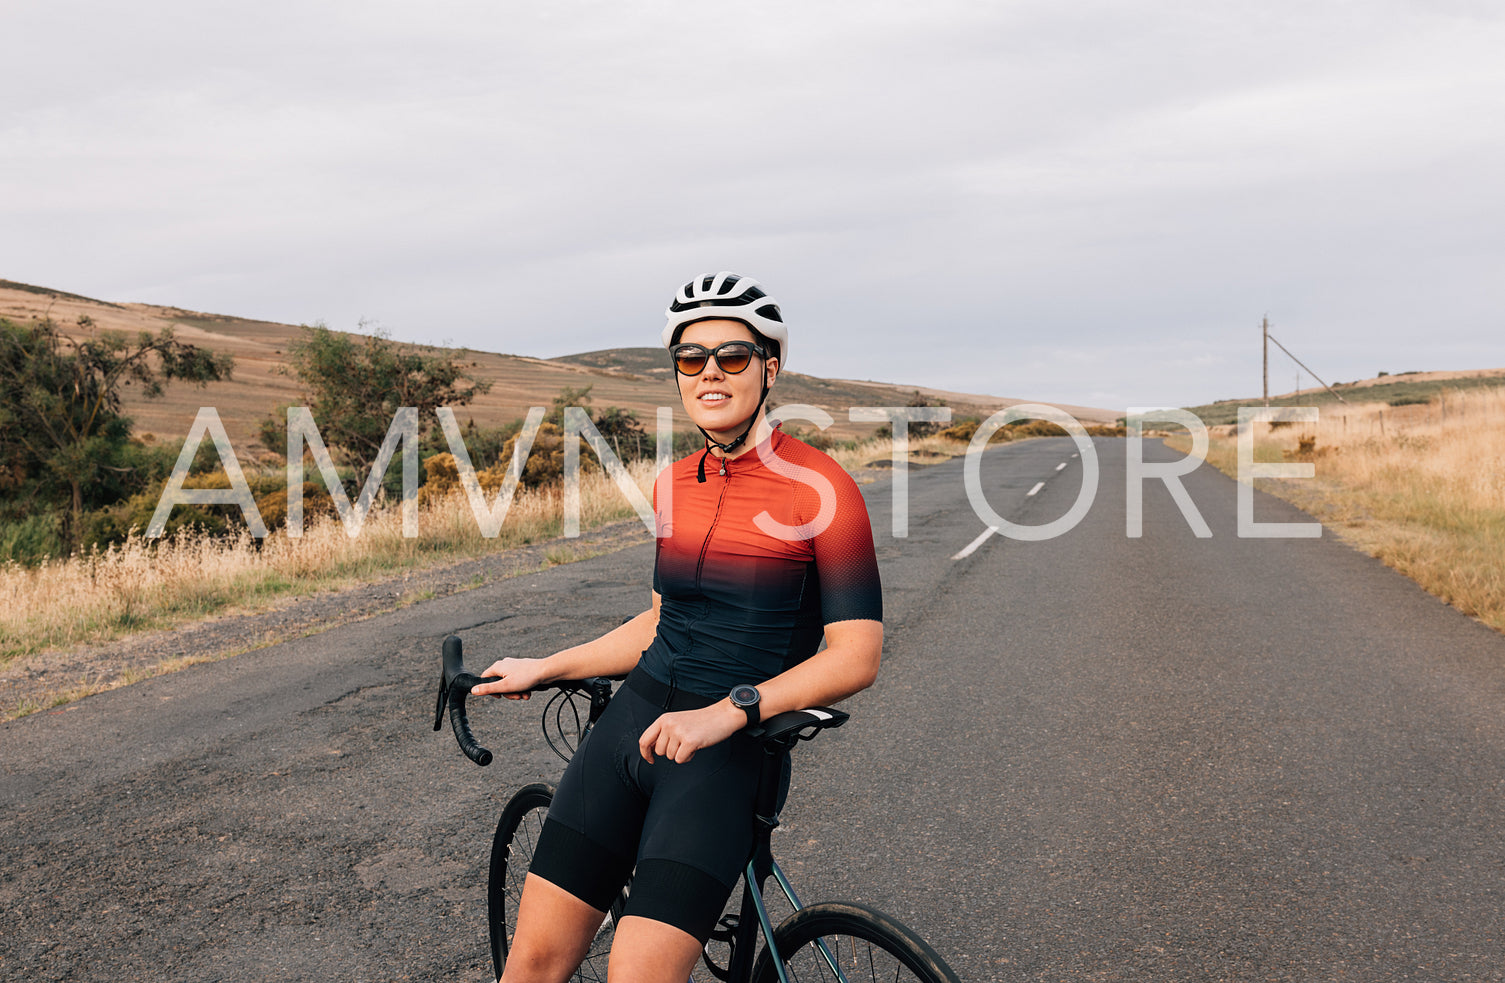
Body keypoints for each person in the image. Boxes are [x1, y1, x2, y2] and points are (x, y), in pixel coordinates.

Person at [471, 271, 884, 983]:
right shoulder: (673, 481)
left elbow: (856, 654)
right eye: (691, 360)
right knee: (532, 961)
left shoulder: (821, 486)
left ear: (769, 368)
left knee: (636, 975)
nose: (710, 374)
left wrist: (728, 712)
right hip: (630, 728)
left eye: (731, 356)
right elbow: (660, 622)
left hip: (725, 754)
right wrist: (546, 665)